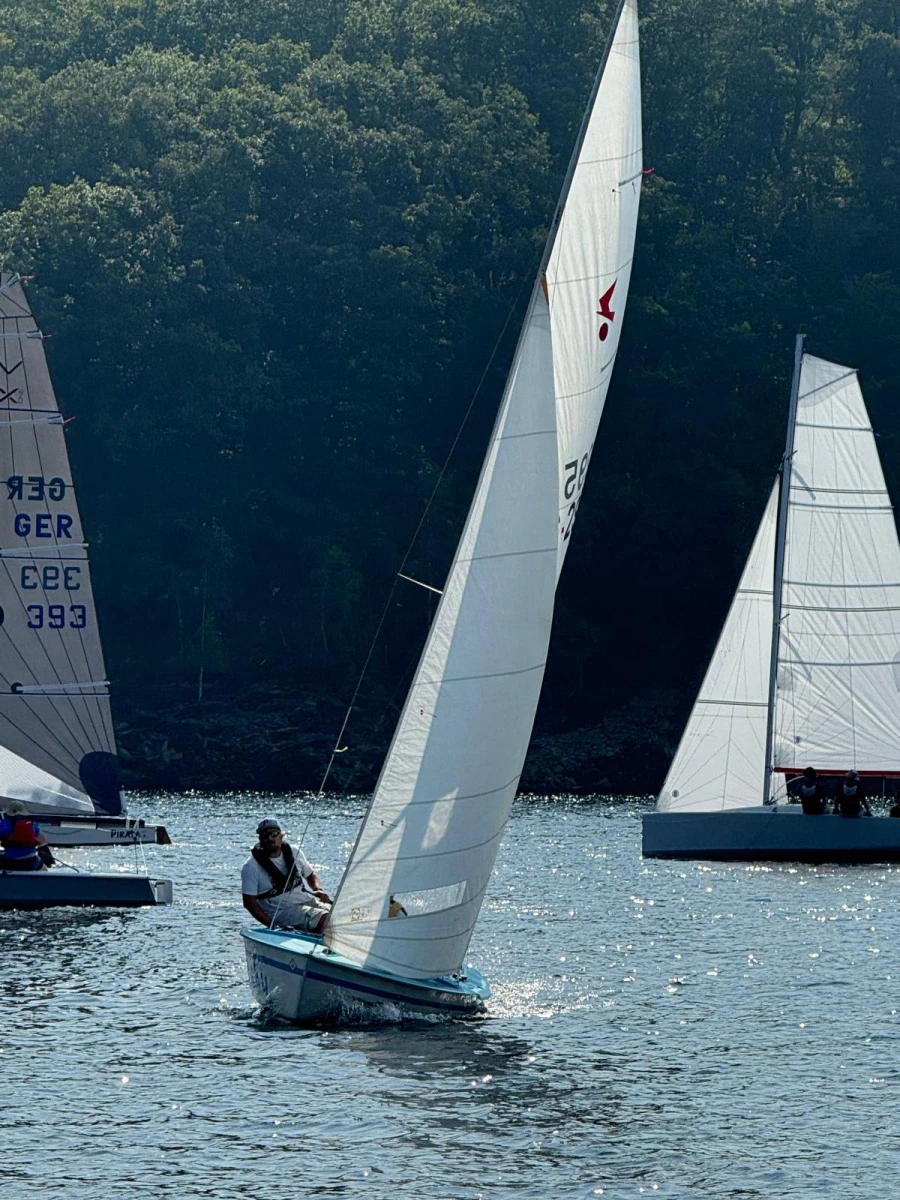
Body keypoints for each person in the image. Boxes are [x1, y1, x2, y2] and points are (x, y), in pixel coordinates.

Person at [241, 818, 332, 934]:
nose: (270, 838)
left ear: (281, 836)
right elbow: (249, 903)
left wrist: (317, 889)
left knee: (341, 914)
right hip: (281, 912)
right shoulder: (251, 867)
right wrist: (273, 925)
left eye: (273, 834)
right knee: (325, 918)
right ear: (260, 839)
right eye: (265, 835)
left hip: (306, 901)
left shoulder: (294, 852)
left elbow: (311, 875)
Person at [0, 802, 50, 871]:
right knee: (45, 869)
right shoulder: (33, 824)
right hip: (30, 861)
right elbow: (43, 841)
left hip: (10, 861)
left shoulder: (5, 823)